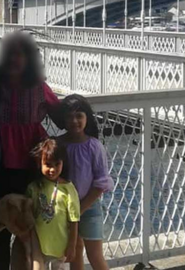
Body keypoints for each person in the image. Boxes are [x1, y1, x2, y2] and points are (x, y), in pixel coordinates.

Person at [0, 30, 63, 270]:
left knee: (29, 226)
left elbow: (62, 116)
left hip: (32, 166)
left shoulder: (39, 87)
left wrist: (83, 137)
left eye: (20, 55)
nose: (14, 60)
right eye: (10, 54)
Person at [59, 94, 113, 270]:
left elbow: (101, 183)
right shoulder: (58, 144)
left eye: (79, 116)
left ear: (87, 118)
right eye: (69, 116)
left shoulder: (94, 146)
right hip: (64, 209)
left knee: (95, 255)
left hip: (89, 208)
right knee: (74, 252)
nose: (74, 121)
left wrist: (80, 209)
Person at [26, 138, 80, 270]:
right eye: (48, 164)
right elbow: (28, 214)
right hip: (38, 242)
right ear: (40, 163)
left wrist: (72, 245)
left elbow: (74, 219)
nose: (52, 169)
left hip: (60, 245)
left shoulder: (68, 188)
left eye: (57, 164)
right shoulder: (34, 187)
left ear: (63, 163)